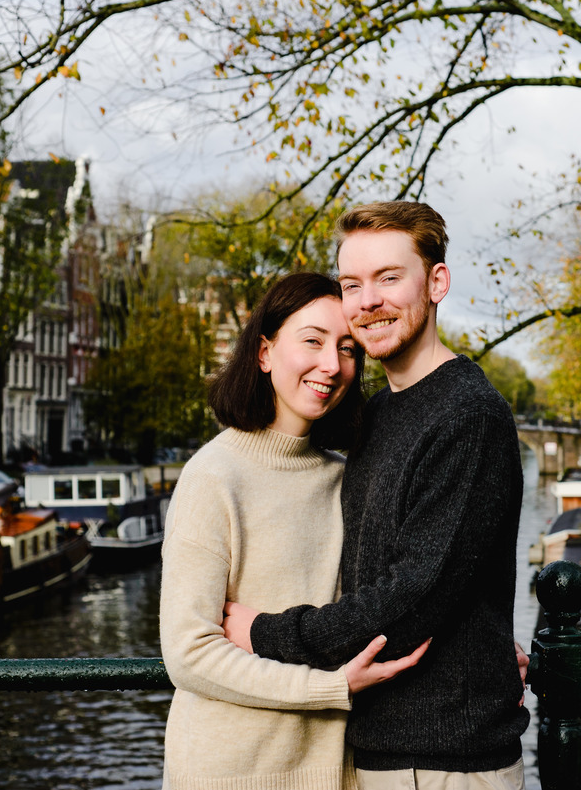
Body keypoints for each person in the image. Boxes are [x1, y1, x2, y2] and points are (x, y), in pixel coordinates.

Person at [224, 201, 530, 788]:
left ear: (436, 281)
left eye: (389, 278)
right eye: (352, 284)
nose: (368, 301)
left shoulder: (468, 414)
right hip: (383, 750)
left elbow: (412, 597)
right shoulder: (380, 413)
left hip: (444, 760)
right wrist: (487, 641)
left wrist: (265, 633)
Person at [159, 272, 428, 790]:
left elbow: (391, 601)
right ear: (264, 352)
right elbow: (189, 654)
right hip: (230, 775)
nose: (332, 364)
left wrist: (479, 652)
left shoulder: (348, 477)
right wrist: (330, 687)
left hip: (337, 774)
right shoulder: (213, 477)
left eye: (348, 348)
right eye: (313, 340)